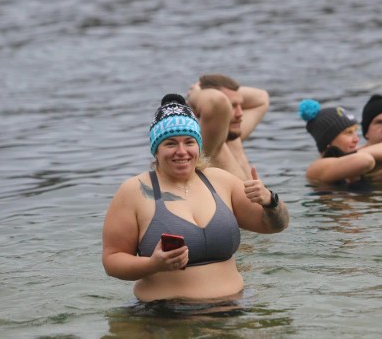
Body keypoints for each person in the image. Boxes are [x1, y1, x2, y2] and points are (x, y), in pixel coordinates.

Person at [102, 94, 289, 303]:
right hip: (163, 316)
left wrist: (270, 202)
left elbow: (275, 226)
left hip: (233, 309)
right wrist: (153, 264)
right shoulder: (134, 191)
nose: (182, 151)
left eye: (189, 142)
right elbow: (112, 261)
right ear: (156, 149)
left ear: (198, 146)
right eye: (170, 143)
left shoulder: (222, 181)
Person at [186, 74, 269, 181]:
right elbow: (217, 101)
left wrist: (232, 94)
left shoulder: (233, 137)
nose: (240, 113)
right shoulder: (210, 145)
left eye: (241, 105)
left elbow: (262, 98)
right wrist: (195, 93)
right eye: (232, 106)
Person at [298, 99, 382, 184]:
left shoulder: (354, 159)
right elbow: (366, 160)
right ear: (328, 139)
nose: (356, 139)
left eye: (355, 132)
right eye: (348, 133)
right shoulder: (317, 167)